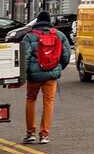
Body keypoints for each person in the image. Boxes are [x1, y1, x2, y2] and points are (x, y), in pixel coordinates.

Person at [17, 9, 73, 144]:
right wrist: (58, 68)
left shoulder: (29, 36)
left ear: (37, 21)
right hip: (51, 74)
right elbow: (66, 56)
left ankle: (30, 133)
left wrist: (22, 76)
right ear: (49, 22)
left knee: (31, 100)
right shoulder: (59, 35)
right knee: (48, 102)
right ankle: (44, 134)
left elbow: (25, 57)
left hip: (33, 76)